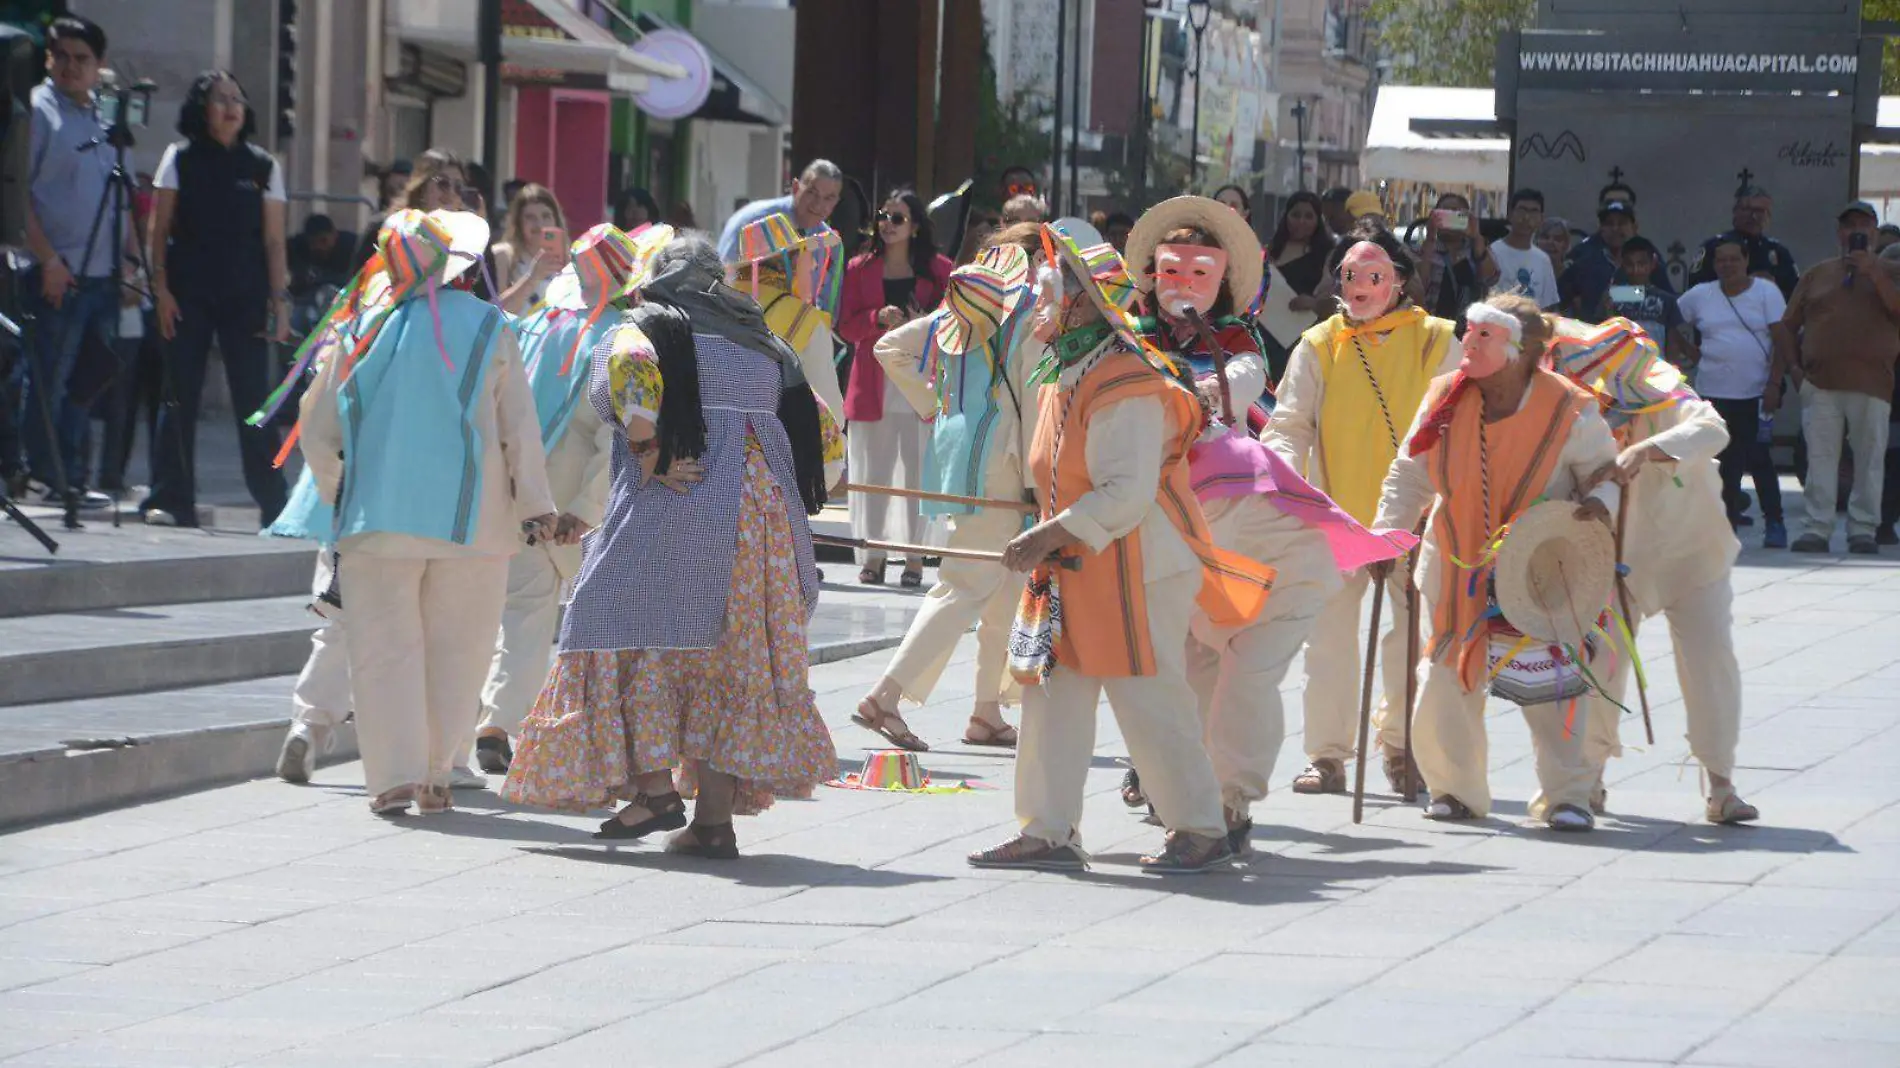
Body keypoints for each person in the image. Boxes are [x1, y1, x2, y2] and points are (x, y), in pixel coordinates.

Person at [502, 234, 836, 860]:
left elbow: (628, 368)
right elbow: (823, 432)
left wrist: (647, 444)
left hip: (678, 512)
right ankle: (712, 823)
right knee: (726, 664)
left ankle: (655, 790)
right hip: (761, 531)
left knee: (614, 623)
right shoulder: (766, 340)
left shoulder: (652, 325)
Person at [965, 222, 1271, 874]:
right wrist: (1044, 528)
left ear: (1082, 301)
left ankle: (1199, 826)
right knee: (1052, 695)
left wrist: (1046, 533)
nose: (1036, 307)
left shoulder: (1125, 377)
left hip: (1140, 567)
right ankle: (1047, 829)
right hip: (1076, 563)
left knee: (1151, 698)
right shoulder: (1064, 367)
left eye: (1046, 295)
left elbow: (1126, 493)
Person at [1125, 195, 1412, 854]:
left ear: (1221, 280)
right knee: (1188, 662)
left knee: (1245, 671)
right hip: (1196, 549)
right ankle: (1184, 790)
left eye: (1200, 273)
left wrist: (1204, 393)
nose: (1184, 286)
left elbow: (1247, 379)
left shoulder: (1234, 347)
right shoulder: (1125, 338)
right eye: (1172, 271)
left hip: (1275, 563)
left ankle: (1228, 800)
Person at [298, 209, 557, 816]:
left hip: (377, 521)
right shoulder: (490, 324)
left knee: (383, 649)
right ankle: (439, 772)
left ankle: (392, 777)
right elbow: (519, 427)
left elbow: (318, 429)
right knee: (460, 648)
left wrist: (342, 491)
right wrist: (536, 505)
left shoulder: (360, 327)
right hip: (474, 521)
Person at [1373, 295, 1621, 830]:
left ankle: (1568, 797)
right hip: (1455, 556)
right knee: (1443, 675)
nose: (1469, 342)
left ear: (1525, 353)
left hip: (1539, 560)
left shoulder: (1569, 407)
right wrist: (1387, 532)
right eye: (1469, 332)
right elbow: (1410, 471)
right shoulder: (1445, 397)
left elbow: (1604, 472)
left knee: (1555, 681)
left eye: (1485, 335)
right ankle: (1455, 790)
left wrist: (1602, 506)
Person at [1263, 223, 1460, 796]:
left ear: (1399, 281)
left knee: (1412, 637)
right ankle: (1326, 755)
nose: (1360, 287)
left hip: (1415, 516)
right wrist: (1283, 480)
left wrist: (1440, 501)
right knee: (1327, 640)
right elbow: (1289, 423)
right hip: (1335, 514)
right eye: (1349, 276)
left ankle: (1403, 747)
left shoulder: (1435, 339)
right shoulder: (1320, 343)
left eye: (1374, 276)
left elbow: (1453, 420)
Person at [1547, 317, 1760, 825]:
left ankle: (1722, 783)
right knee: (1603, 662)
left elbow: (1712, 429)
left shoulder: (1666, 390)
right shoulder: (1568, 405)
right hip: (1613, 557)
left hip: (1692, 547)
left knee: (1710, 659)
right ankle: (1587, 778)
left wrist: (1645, 449)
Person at [855, 231, 1042, 752]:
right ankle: (885, 696)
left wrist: (934, 406)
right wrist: (1036, 484)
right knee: (965, 584)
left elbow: (889, 347)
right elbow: (1029, 398)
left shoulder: (964, 306)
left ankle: (986, 712)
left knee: (1004, 589)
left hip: (960, 452)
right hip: (1004, 462)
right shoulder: (1025, 313)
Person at [467, 225, 639, 775]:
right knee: (567, 619)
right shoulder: (625, 339)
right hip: (571, 502)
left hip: (515, 488)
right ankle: (538, 727)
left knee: (516, 610)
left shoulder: (540, 324)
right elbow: (616, 438)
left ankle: (493, 719)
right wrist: (587, 510)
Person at [142, 70, 292, 528]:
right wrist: (161, 289)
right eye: (220, 98)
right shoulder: (178, 159)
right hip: (186, 293)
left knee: (254, 402)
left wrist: (279, 301)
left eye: (237, 98)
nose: (231, 106)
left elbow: (273, 241)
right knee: (178, 396)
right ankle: (171, 499)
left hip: (244, 296)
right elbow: (158, 230)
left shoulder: (264, 166)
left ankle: (275, 503)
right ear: (201, 108)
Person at [17, 14, 136, 508]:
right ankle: (43, 475)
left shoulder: (105, 119)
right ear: (48, 58)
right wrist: (46, 259)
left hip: (102, 273)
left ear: (99, 65)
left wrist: (128, 263)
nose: (70, 67)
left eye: (81, 59)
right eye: (61, 56)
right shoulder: (37, 113)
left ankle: (72, 475)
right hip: (54, 271)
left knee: (87, 381)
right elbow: (18, 195)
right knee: (49, 378)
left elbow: (120, 196)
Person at [1769, 201, 1900, 555]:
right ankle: (1817, 527)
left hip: (1873, 383)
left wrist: (1873, 272)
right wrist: (1795, 373)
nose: (1855, 231)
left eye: (1863, 225)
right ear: (1839, 233)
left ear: (1874, 232)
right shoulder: (1817, 273)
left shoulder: (1892, 269)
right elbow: (1786, 325)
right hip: (1821, 383)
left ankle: (1863, 530)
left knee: (1870, 460)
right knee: (1820, 459)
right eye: (1848, 226)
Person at [837, 188, 953, 586]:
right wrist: (876, 318)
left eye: (898, 218)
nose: (887, 224)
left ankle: (915, 560)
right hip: (871, 385)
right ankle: (873, 556)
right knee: (874, 474)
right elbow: (846, 326)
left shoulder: (940, 269)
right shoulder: (857, 268)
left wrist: (924, 321)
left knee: (918, 477)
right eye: (883, 216)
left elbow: (954, 320)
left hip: (919, 383)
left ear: (916, 226)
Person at [1677, 237, 1787, 545]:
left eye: (1733, 259)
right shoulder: (1700, 295)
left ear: (1746, 260)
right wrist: (1690, 351)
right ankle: (1724, 528)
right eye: (1721, 260)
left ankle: (1775, 522)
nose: (1727, 265)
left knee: (1760, 459)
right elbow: (1665, 308)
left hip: (1755, 393)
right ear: (1713, 265)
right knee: (1720, 463)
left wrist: (1775, 383)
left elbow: (1782, 339)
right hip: (1712, 393)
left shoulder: (1767, 292)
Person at [717, 159, 845, 301]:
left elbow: (827, 307)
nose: (818, 204)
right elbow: (723, 281)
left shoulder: (830, 244)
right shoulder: (753, 223)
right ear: (796, 188)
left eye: (828, 198)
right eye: (812, 193)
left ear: (836, 202)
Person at [1262, 191, 1336, 377]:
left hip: (1304, 339)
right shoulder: (1272, 250)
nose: (1301, 221)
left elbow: (1337, 300)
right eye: (1295, 215)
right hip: (1267, 336)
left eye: (1308, 216)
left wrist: (1313, 303)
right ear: (1286, 216)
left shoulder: (1328, 255)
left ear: (1318, 221)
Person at [1561, 199, 1666, 323]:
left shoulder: (1647, 256)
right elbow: (1561, 297)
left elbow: (1665, 298)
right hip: (1595, 335)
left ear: (1634, 227)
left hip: (1640, 335)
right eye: (1609, 224)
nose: (1615, 229)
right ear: (1601, 229)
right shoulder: (1585, 258)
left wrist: (1618, 294)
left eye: (1622, 223)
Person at [1688, 186, 1800, 299]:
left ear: (1768, 216)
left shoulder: (1778, 252)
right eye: (1747, 209)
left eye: (1760, 211)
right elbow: (1695, 289)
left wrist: (1773, 289)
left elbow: (1796, 295)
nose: (1753, 216)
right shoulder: (1714, 247)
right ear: (1735, 211)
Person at [1606, 238, 1694, 367]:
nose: (1636, 270)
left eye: (1641, 264)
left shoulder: (1665, 299)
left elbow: (1672, 340)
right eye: (1630, 264)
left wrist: (1673, 370)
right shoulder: (1613, 295)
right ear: (1622, 264)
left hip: (1655, 370)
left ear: (1653, 263)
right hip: (1620, 369)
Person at [1417, 192, 1498, 328]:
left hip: (1469, 328)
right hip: (1431, 327)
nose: (1450, 216)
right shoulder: (1425, 250)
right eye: (1444, 212)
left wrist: (1476, 236)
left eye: (1456, 213)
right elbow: (1418, 285)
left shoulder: (1476, 247)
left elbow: (1491, 277)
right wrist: (1430, 237)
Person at [489, 183, 569, 315]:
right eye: (530, 217)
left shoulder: (569, 260)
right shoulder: (504, 255)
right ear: (519, 222)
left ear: (556, 220)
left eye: (546, 216)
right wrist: (533, 277)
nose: (539, 224)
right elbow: (494, 314)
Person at [1489, 188, 1559, 309]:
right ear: (1510, 214)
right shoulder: (1492, 252)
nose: (1527, 217)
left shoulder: (1543, 260)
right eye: (1522, 210)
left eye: (1534, 212)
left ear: (1541, 218)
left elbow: (1548, 305)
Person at [286, 214, 357, 322]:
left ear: (335, 234)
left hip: (344, 301)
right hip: (307, 303)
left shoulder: (352, 246)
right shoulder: (297, 247)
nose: (319, 247)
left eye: (324, 241)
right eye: (314, 243)